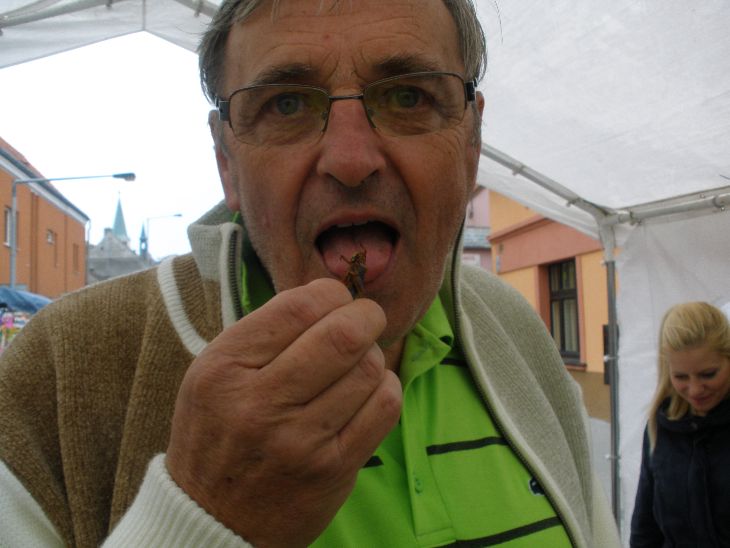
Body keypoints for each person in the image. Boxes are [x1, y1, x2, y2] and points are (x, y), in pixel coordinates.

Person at [0, 1, 620, 546]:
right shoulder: (60, 368)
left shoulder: (518, 334)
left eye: (408, 96)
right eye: (287, 104)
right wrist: (204, 518)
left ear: (472, 143)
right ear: (226, 161)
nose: (350, 160)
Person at [630, 301, 730, 547]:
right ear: (667, 371)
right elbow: (645, 528)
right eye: (681, 377)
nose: (695, 389)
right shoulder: (659, 428)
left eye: (708, 374)